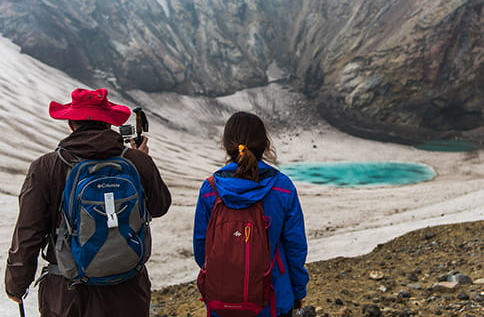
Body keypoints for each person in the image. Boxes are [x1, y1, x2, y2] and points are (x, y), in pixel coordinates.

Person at [5, 88, 172, 317]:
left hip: (68, 294)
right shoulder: (137, 161)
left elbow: (28, 232)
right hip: (128, 291)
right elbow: (160, 206)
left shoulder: (46, 167)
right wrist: (144, 160)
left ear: (71, 124)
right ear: (109, 123)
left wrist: (16, 285)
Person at [193, 111, 309, 317]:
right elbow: (295, 247)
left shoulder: (210, 188)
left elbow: (202, 247)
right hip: (274, 298)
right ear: (265, 144)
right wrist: (297, 291)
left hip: (222, 299)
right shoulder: (282, 186)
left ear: (226, 145)